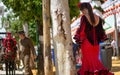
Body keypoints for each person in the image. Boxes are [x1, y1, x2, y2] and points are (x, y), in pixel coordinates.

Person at [74, 2, 114, 75]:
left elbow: (82, 33)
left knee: (87, 64)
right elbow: (100, 32)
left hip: (86, 44)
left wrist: (79, 43)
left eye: (82, 9)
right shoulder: (98, 18)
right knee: (95, 62)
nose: (82, 11)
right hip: (96, 45)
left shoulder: (84, 18)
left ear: (86, 9)